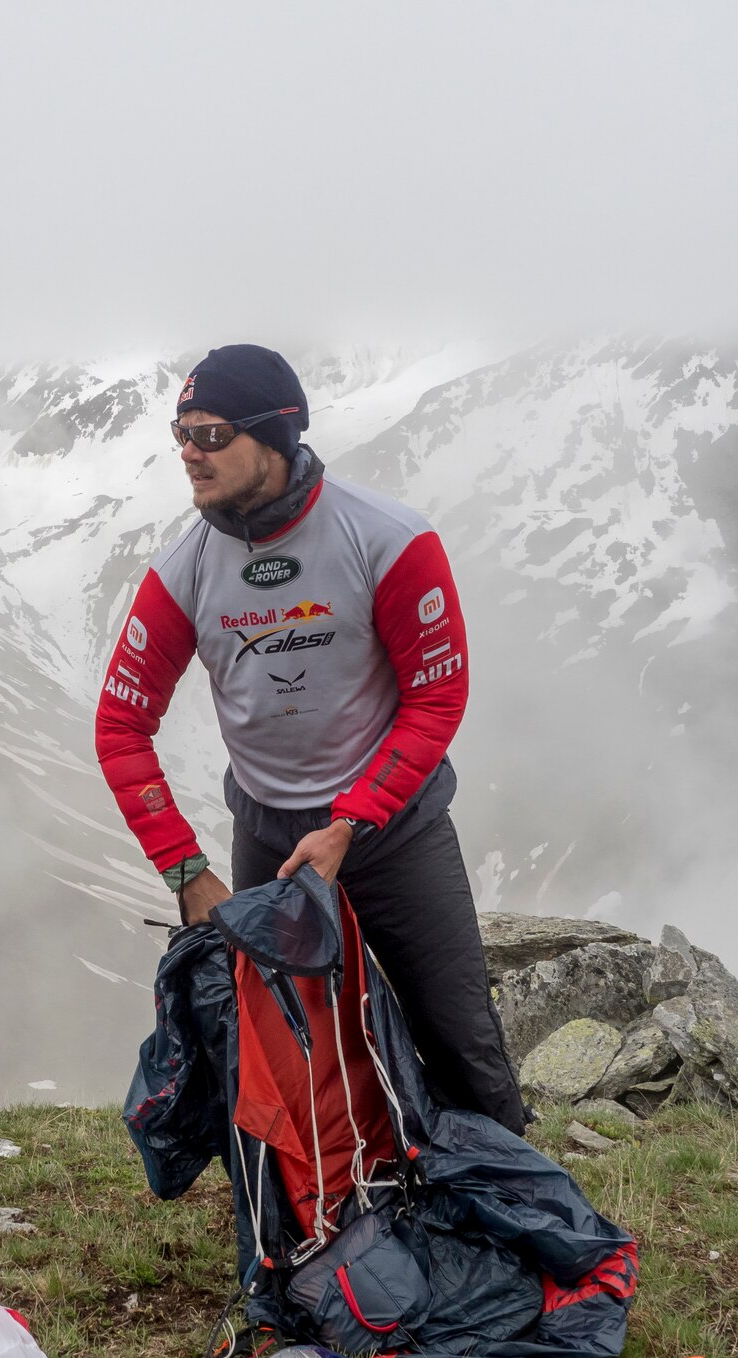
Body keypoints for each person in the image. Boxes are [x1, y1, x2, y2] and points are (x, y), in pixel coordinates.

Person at [94, 344, 528, 1133]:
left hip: (396, 831)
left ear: (277, 436)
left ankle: (513, 1215)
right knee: (289, 1066)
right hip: (269, 841)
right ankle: (320, 1237)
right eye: (181, 432)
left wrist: (355, 820)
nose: (190, 453)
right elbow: (120, 724)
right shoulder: (184, 570)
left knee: (460, 1044)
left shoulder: (388, 538)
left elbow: (437, 695)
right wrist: (185, 871)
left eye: (213, 434)